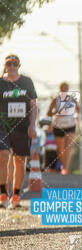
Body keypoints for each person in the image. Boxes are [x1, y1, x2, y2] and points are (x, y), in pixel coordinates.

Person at [0, 55, 38, 209]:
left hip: (22, 127)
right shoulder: (1, 83)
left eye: (15, 64)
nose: (12, 66)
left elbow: (33, 105)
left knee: (19, 161)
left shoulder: (26, 82)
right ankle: (3, 194)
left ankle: (15, 196)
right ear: (5, 65)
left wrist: (32, 125)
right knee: (3, 156)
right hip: (3, 125)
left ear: (19, 65)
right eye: (9, 64)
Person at [46, 82, 78, 174]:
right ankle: (63, 165)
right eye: (62, 88)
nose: (64, 90)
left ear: (68, 89)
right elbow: (48, 113)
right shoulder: (55, 100)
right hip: (58, 126)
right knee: (60, 150)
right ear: (60, 89)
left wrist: (76, 116)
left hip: (70, 125)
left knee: (68, 148)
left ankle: (65, 169)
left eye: (65, 88)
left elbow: (78, 110)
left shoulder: (72, 99)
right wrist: (56, 112)